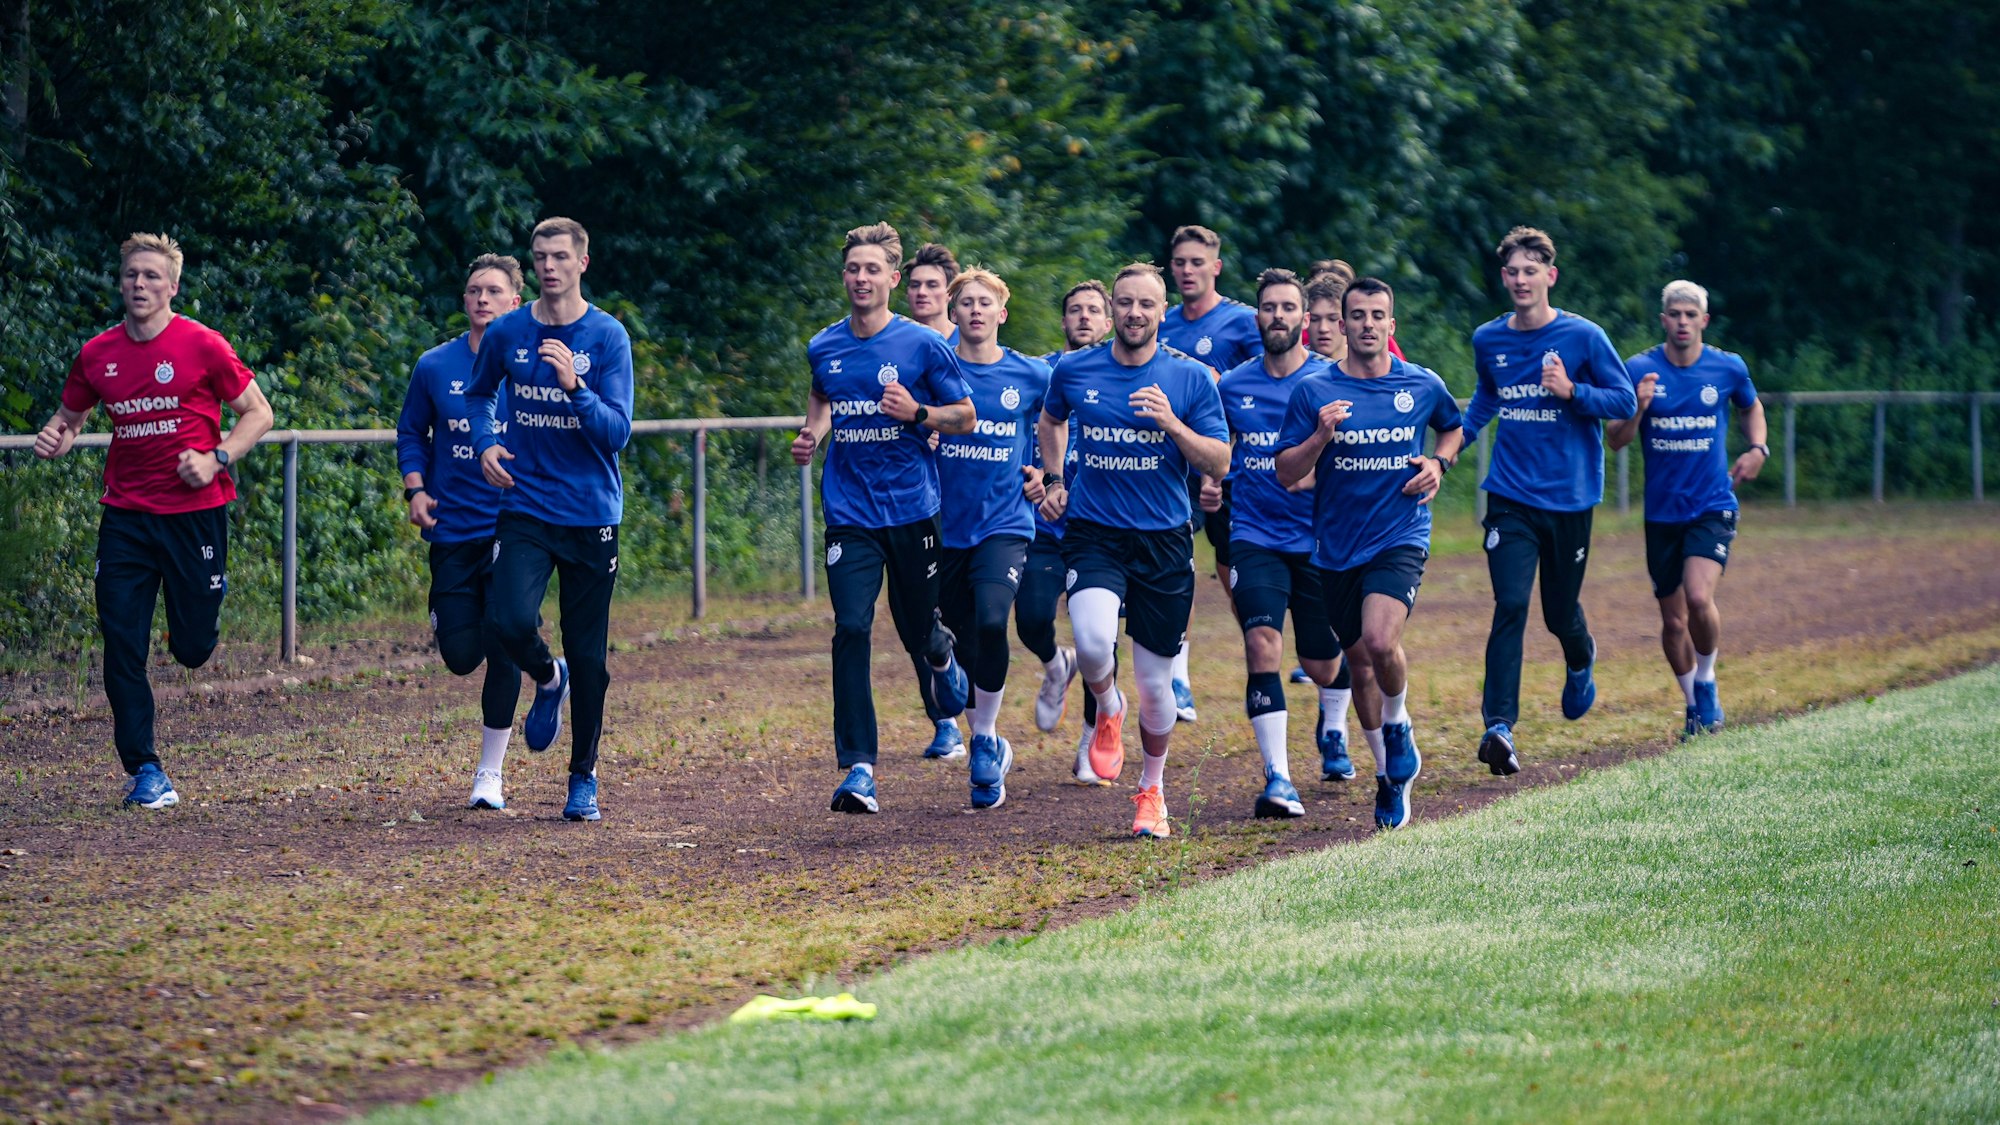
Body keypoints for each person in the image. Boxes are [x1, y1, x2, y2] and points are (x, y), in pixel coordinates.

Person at [34, 232, 275, 809]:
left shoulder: (203, 345)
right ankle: (144, 768)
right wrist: (55, 437)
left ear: (172, 286)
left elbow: (258, 414)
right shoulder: (98, 354)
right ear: (121, 283)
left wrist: (217, 456)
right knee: (121, 642)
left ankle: (195, 620)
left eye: (151, 276)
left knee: (192, 649)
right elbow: (70, 418)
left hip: (196, 516)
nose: (139, 285)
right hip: (127, 518)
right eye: (131, 276)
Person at [1037, 262, 1230, 838]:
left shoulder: (1190, 379)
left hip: (1165, 541)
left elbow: (1218, 461)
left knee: (1156, 688)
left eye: (1146, 304)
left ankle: (1153, 791)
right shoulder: (1075, 368)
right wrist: (1053, 480)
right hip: (1095, 532)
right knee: (1094, 644)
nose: (1134, 313)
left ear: (1162, 312)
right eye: (1124, 303)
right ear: (1112, 309)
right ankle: (1105, 706)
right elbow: (1051, 421)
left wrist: (1172, 423)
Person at [792, 222, 976, 815]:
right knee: (850, 626)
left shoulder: (922, 346)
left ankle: (941, 654)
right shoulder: (824, 345)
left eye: (873, 269)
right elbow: (822, 394)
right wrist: (812, 433)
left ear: (892, 279)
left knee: (917, 627)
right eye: (853, 269)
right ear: (844, 277)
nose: (861, 278)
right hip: (849, 513)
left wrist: (919, 410)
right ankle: (860, 768)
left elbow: (966, 415)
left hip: (913, 511)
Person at [1275, 277, 1464, 830]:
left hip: (1400, 535)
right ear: (1339, 324)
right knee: (1358, 665)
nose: (1365, 325)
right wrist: (1320, 436)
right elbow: (1288, 473)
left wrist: (1438, 465)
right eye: (1356, 315)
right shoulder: (1314, 392)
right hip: (1336, 549)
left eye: (1376, 315)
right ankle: (1389, 777)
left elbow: (1451, 430)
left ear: (1391, 324)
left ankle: (1399, 722)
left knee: (1382, 640)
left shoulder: (1420, 384)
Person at [467, 217, 634, 823]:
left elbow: (617, 432)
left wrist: (575, 386)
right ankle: (546, 673)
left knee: (591, 655)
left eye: (560, 256)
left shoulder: (608, 337)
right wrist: (485, 441)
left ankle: (583, 776)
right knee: (508, 620)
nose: (549, 266)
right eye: (540, 256)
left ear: (582, 262)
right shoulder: (509, 329)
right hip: (526, 506)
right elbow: (479, 394)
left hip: (590, 513)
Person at [1462, 226, 1636, 776]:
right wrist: (1446, 451)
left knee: (1559, 612)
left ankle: (1581, 656)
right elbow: (1488, 394)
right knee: (1510, 604)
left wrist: (1572, 393)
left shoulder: (1584, 338)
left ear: (1549, 277)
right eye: (1511, 271)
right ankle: (1499, 727)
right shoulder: (1489, 339)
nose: (1519, 279)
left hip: (1570, 498)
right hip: (1510, 495)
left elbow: (1625, 399)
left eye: (1529, 270)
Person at [1216, 268, 1355, 817]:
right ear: (1258, 318)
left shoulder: (1330, 381)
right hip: (1254, 534)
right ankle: (1278, 778)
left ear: (1306, 318)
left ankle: (1335, 718)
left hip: (1319, 540)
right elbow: (1215, 450)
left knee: (1322, 662)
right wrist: (1212, 482)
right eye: (1269, 307)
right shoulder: (1233, 386)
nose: (1278, 316)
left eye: (1288, 308)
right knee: (1261, 648)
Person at [1607, 280, 1767, 738]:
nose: (1681, 322)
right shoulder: (1639, 368)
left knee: (1699, 598)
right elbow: (1615, 440)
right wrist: (1637, 407)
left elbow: (1751, 408)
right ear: (1663, 320)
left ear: (1704, 321)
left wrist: (1758, 448)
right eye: (1674, 314)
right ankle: (1694, 703)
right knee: (1673, 621)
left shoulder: (1727, 367)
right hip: (1661, 515)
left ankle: (1708, 679)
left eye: (1689, 315)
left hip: (1711, 504)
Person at [396, 253, 527, 810]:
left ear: (515, 302)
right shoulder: (434, 365)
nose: (482, 299)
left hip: (514, 525)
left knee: (505, 640)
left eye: (494, 291)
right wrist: (415, 488)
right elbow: (410, 432)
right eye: (474, 290)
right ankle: (542, 663)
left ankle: (489, 775)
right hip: (451, 527)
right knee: (459, 654)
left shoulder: (530, 366)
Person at [933, 268, 1050, 807]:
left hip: (1005, 525)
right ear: (953, 314)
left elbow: (1058, 421)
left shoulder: (1030, 375)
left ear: (1002, 314)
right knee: (957, 637)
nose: (975, 311)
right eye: (966, 303)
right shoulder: (935, 370)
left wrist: (1046, 474)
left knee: (989, 620)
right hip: (943, 527)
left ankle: (983, 739)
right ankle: (985, 731)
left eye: (986, 303)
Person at [1158, 225, 1262, 723]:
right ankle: (1178, 677)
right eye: (1180, 262)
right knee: (1179, 565)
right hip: (1173, 467)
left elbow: (1265, 389)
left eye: (1197, 262)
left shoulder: (1243, 323)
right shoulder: (1163, 323)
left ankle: (1262, 657)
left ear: (1215, 267)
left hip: (1232, 469)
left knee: (1230, 570)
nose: (1187, 270)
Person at [1017, 280, 1110, 784]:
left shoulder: (1125, 373)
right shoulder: (1042, 373)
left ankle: (1091, 741)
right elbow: (1012, 431)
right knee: (1031, 620)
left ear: (1109, 320)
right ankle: (1056, 665)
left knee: (1100, 642)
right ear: (1063, 321)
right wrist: (1030, 477)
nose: (1083, 317)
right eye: (1074, 310)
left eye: (1093, 310)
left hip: (1101, 530)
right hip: (1046, 526)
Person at [904, 242, 960, 340]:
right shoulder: (895, 341)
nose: (921, 292)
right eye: (915, 285)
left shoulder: (971, 343)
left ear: (950, 292)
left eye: (932, 285)